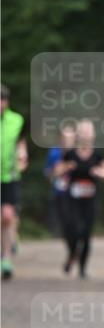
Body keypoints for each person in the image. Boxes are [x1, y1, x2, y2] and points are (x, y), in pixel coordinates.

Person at [55, 119, 104, 278]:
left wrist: (99, 172)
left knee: (86, 233)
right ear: (78, 135)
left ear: (93, 135)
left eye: (89, 132)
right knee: (72, 230)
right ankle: (72, 254)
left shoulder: (98, 154)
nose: (86, 135)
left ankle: (82, 268)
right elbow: (56, 171)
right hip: (72, 200)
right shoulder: (70, 154)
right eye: (83, 132)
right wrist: (67, 167)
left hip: (90, 200)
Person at [1, 83, 28, 280]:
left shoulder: (16, 120)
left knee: (8, 216)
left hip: (9, 176)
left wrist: (22, 155)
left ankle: (6, 259)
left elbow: (20, 142)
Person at [44, 121, 76, 245]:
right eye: (64, 137)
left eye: (70, 137)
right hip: (59, 192)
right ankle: (70, 244)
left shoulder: (79, 153)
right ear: (60, 138)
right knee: (65, 221)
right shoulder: (53, 152)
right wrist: (58, 171)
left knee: (75, 220)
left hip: (76, 193)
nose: (67, 140)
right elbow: (48, 173)